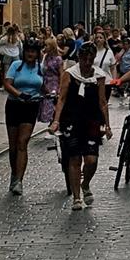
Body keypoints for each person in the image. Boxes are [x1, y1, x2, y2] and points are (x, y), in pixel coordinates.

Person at [50, 42, 111, 211]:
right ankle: (77, 197)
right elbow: (61, 98)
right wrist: (56, 121)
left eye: (90, 59)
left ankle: (85, 184)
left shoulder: (98, 76)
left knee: (91, 160)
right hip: (72, 119)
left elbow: (102, 102)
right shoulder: (70, 74)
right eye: (84, 58)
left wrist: (107, 124)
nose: (87, 62)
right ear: (79, 58)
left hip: (91, 119)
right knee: (75, 158)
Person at [2, 40, 44, 195]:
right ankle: (14, 174)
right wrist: (19, 94)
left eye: (33, 51)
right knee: (13, 146)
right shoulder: (16, 66)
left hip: (31, 107)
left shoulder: (41, 68)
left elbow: (44, 86)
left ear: (37, 53)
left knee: (22, 142)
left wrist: (50, 94)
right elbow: (7, 84)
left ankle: (19, 180)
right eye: (28, 51)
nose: (30, 54)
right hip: (14, 105)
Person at [39, 35, 64, 137]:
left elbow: (62, 74)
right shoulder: (45, 57)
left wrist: (60, 87)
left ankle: (54, 125)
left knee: (53, 105)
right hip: (46, 83)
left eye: (47, 45)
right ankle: (52, 125)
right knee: (46, 106)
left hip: (55, 83)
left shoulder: (58, 59)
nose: (45, 47)